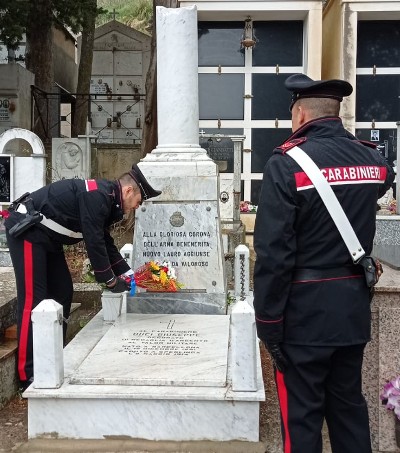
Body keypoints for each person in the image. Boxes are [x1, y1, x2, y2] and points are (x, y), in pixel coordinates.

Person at [253, 74, 394, 453]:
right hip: (351, 311)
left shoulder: (287, 164)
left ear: (299, 114)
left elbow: (273, 254)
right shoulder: (371, 159)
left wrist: (267, 323)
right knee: (348, 409)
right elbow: (383, 182)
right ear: (335, 113)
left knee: (301, 419)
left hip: (303, 315)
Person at [5, 164, 161, 389]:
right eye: (138, 201)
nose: (136, 207)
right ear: (128, 191)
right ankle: (28, 373)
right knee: (33, 300)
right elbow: (93, 240)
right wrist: (109, 280)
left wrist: (127, 275)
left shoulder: (107, 199)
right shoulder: (98, 196)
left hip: (49, 238)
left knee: (62, 292)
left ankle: (51, 354)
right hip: (29, 233)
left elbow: (105, 241)